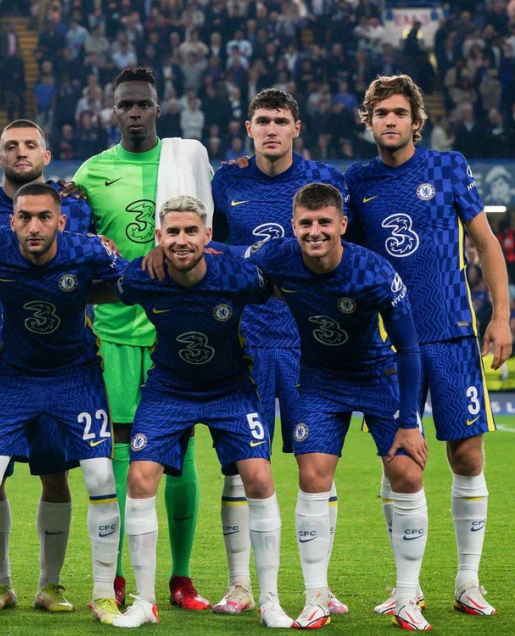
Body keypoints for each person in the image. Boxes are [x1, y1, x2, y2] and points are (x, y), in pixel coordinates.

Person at [345, 74, 511, 617]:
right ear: (368, 122)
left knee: (466, 454)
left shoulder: (448, 167)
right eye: (380, 113)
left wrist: (500, 318)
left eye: (399, 112)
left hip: (452, 334)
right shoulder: (357, 180)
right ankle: (406, 587)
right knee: (400, 463)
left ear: (417, 120)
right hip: (386, 344)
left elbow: (486, 244)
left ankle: (468, 581)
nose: (389, 121)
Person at [247, 183, 431, 631]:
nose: (315, 231)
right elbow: (225, 256)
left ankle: (407, 595)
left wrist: (410, 422)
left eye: (324, 222)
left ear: (342, 225)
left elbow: (409, 350)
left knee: (406, 472)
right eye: (306, 223)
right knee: (312, 475)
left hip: (376, 376)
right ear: (293, 227)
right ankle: (316, 597)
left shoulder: (374, 272)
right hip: (320, 381)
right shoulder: (276, 257)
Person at [110, 195, 293, 628]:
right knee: (139, 477)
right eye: (172, 232)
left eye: (191, 230)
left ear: (208, 235)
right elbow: (97, 285)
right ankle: (143, 602)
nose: (181, 239)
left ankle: (269, 600)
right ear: (158, 237)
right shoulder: (142, 277)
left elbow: (286, 284)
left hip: (230, 389)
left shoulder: (238, 275)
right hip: (169, 388)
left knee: (260, 477)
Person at [70, 66, 214, 609]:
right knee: (123, 456)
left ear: (158, 108)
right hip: (113, 335)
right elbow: (77, 248)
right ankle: (120, 577)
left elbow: (208, 230)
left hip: (176, 331)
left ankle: (179, 577)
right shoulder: (92, 172)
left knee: (182, 452)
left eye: (143, 104)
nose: (134, 113)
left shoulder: (185, 162)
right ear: (113, 111)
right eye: (125, 105)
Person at [0, 182, 125, 625]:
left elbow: (135, 280)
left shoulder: (88, 251)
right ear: (11, 222)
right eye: (24, 217)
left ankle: (95, 592)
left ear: (61, 221)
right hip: (14, 377)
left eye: (44, 217)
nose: (34, 226)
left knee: (100, 474)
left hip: (76, 377)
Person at [0, 119, 93, 614]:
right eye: (10, 146)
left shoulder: (75, 205)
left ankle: (51, 585)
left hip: (61, 364)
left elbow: (96, 266)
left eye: (31, 145)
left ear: (47, 157)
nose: (21, 152)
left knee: (56, 474)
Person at [209, 88, 348, 616]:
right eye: (261, 120)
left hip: (307, 343)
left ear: (296, 128)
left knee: (319, 464)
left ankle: (321, 585)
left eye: (280, 120)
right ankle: (240, 585)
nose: (270, 129)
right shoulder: (228, 179)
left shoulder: (325, 183)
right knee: (241, 466)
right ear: (249, 128)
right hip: (245, 341)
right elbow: (210, 248)